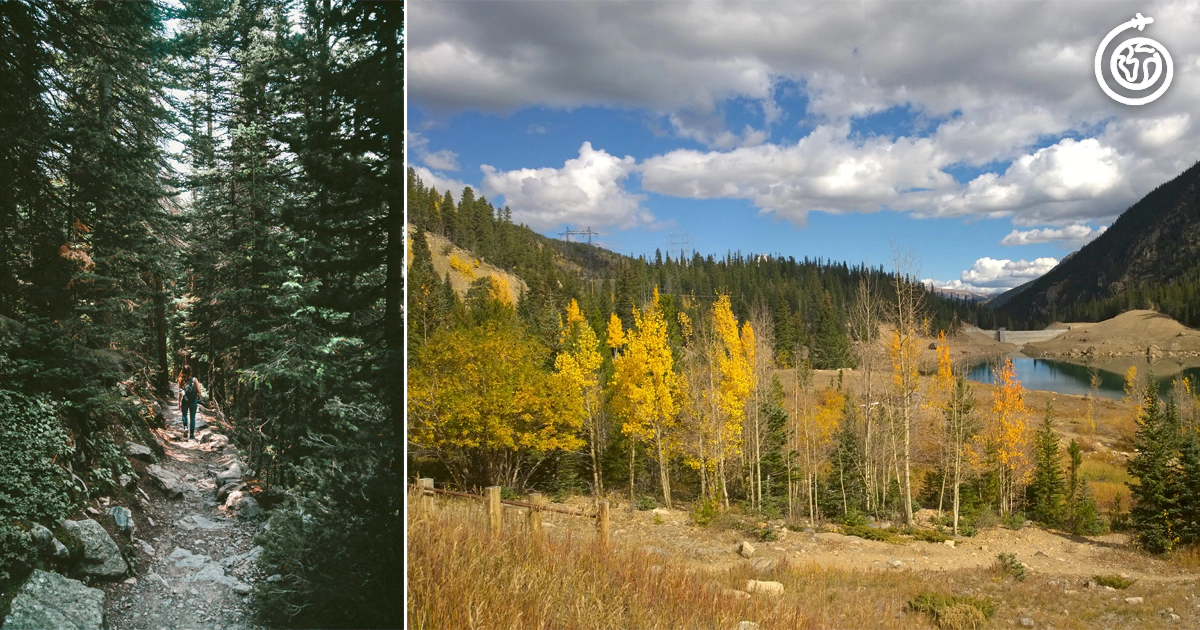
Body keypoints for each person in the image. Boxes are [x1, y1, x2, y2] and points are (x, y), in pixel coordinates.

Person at [177, 365, 204, 440]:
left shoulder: (180, 380)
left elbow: (180, 393)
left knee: (184, 415)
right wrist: (197, 397)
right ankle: (191, 434)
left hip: (185, 400)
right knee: (192, 417)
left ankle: (185, 427)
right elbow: (199, 391)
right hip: (193, 401)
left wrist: (179, 403)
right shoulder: (194, 379)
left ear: (183, 371)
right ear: (190, 371)